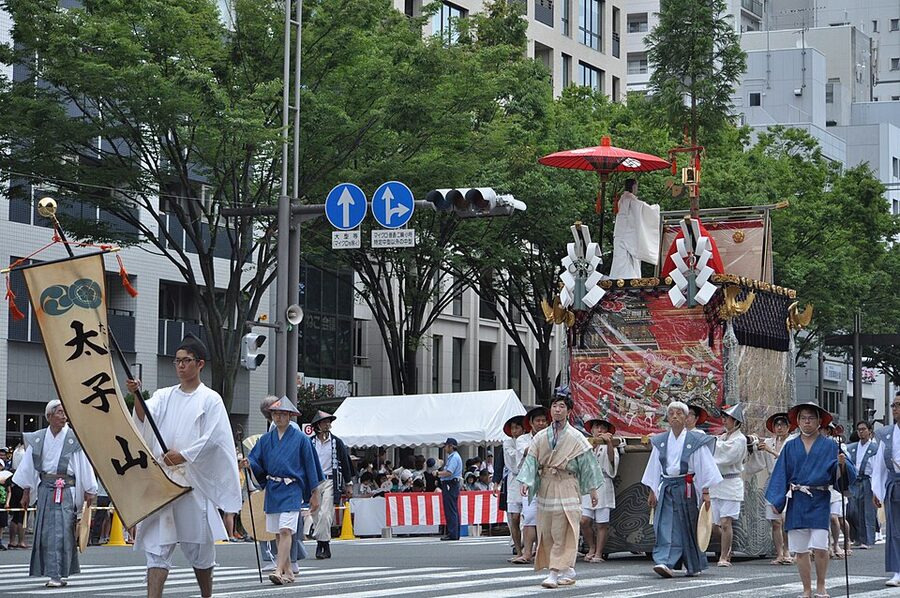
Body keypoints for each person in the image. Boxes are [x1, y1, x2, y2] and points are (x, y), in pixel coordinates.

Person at [125, 334, 242, 598]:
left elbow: (215, 438)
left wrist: (185, 455)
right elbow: (145, 417)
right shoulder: (164, 395)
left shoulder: (210, 399)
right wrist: (136, 396)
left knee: (199, 547)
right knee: (156, 548)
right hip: (164, 480)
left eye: (186, 361)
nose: (180, 366)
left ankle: (206, 595)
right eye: (177, 361)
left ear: (200, 364)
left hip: (192, 481)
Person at [765, 402, 854, 598]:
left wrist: (842, 465)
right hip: (797, 500)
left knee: (821, 546)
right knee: (800, 550)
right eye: (803, 418)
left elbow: (843, 473)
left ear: (819, 421)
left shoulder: (831, 445)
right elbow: (780, 473)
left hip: (820, 499)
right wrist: (777, 499)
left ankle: (821, 585)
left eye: (811, 418)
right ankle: (806, 589)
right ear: (797, 421)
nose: (807, 421)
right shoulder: (790, 446)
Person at [517, 388, 602, 589]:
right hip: (546, 483)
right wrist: (526, 482)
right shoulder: (540, 437)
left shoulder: (576, 437)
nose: (557, 410)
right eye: (554, 406)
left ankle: (555, 571)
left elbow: (588, 464)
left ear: (568, 411)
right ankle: (567, 569)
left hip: (567, 482)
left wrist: (592, 490)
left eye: (561, 406)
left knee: (565, 527)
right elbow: (531, 460)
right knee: (548, 528)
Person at [12, 400, 97, 587]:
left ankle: (57, 575)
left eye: (65, 412)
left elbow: (84, 464)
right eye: (59, 412)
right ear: (49, 416)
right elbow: (29, 468)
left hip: (66, 490)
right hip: (44, 489)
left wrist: (89, 490)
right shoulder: (39, 438)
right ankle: (51, 571)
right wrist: (26, 491)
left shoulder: (74, 438)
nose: (64, 416)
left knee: (61, 532)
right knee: (44, 532)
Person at [243, 397, 323, 585]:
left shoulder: (301, 439)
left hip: (292, 488)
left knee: (286, 529)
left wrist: (314, 492)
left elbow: (311, 466)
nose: (278, 417)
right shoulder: (265, 439)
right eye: (275, 414)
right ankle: (288, 572)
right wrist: (248, 464)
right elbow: (256, 460)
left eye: (282, 414)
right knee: (278, 534)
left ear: (290, 416)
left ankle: (278, 570)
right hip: (273, 488)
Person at [641, 401, 722, 579]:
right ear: (667, 418)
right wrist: (652, 490)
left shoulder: (695, 441)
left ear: (686, 418)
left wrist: (706, 492)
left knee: (688, 525)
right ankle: (665, 561)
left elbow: (704, 467)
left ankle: (693, 564)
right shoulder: (660, 442)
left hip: (687, 488)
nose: (675, 416)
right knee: (665, 524)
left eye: (679, 413)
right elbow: (655, 467)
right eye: (671, 413)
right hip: (667, 487)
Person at [746, 411, 794, 565]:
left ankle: (787, 551)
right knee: (775, 521)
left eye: (782, 425)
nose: (779, 428)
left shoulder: (793, 442)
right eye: (777, 425)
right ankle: (779, 553)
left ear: (788, 427)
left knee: (786, 519)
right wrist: (754, 447)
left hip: (787, 481)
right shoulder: (769, 441)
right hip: (772, 481)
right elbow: (758, 460)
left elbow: (788, 461)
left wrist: (770, 450)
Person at [309, 410, 354, 560]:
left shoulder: (336, 442)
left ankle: (319, 542)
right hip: (314, 481)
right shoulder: (310, 442)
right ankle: (324, 544)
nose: (327, 425)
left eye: (329, 422)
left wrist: (348, 483)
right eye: (324, 422)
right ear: (317, 425)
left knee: (326, 513)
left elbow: (345, 463)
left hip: (329, 480)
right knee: (315, 513)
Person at [709, 404, 747, 568]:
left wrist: (710, 444)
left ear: (736, 421)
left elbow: (727, 456)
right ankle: (727, 548)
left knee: (726, 522)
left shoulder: (740, 439)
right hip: (716, 483)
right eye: (723, 417)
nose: (724, 420)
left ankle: (724, 556)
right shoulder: (722, 437)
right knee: (713, 526)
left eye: (727, 417)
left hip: (731, 482)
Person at [580, 418, 620, 564]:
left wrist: (609, 443)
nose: (600, 430)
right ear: (592, 430)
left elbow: (612, 465)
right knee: (584, 520)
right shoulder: (586, 444)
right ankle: (591, 546)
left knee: (602, 523)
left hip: (603, 483)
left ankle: (598, 552)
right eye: (597, 427)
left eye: (603, 427)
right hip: (587, 485)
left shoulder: (611, 446)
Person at [871, 394, 900, 586]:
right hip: (895, 485)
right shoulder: (887, 433)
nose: (895, 408)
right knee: (895, 531)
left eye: (898, 405)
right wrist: (877, 490)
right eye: (893, 405)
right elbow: (879, 465)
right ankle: (898, 571)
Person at [609, 178, 660, 279]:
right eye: (636, 186)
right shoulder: (629, 200)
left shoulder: (623, 199)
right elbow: (644, 208)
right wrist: (655, 208)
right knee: (626, 259)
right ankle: (627, 279)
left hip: (622, 233)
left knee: (621, 258)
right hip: (626, 234)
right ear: (633, 186)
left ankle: (618, 278)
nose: (637, 188)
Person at [519, 405, 550, 564]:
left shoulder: (552, 437)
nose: (541, 423)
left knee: (546, 517)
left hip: (548, 480)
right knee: (530, 516)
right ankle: (526, 552)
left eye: (544, 421)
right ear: (531, 423)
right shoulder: (522, 439)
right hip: (529, 481)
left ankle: (541, 551)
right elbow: (527, 452)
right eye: (538, 420)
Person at [847, 420, 877, 550]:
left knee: (868, 511)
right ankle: (858, 538)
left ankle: (868, 539)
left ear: (869, 431)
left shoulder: (874, 448)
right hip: (855, 480)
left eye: (864, 429)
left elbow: (876, 468)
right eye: (859, 429)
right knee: (854, 511)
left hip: (868, 480)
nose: (861, 432)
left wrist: (877, 488)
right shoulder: (852, 447)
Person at [500, 415, 526, 562]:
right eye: (513, 428)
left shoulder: (529, 440)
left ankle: (530, 547)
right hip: (514, 479)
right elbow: (513, 458)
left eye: (517, 427)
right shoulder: (508, 443)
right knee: (514, 517)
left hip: (528, 478)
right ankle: (517, 548)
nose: (515, 431)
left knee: (529, 516)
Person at [437, 437, 463, 540]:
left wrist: (438, 473)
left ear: (451, 446)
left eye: (446, 446)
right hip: (452, 484)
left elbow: (449, 472)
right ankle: (454, 533)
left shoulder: (454, 457)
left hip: (450, 484)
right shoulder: (454, 457)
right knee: (453, 508)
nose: (445, 448)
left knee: (450, 509)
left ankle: (452, 533)